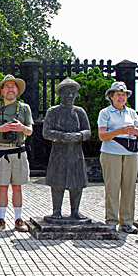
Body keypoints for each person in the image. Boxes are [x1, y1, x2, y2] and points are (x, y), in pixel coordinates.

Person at [0, 74, 33, 232]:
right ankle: (1, 219)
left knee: (17, 187)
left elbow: (30, 131)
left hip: (19, 150)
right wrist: (2, 128)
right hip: (1, 151)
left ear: (17, 90)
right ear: (2, 91)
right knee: (3, 187)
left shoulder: (24, 108)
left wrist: (22, 128)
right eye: (7, 87)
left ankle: (18, 219)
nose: (10, 89)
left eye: (13, 86)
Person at [98, 81, 138, 234]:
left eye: (123, 95)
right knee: (112, 187)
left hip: (131, 153)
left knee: (129, 187)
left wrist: (135, 131)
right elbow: (102, 135)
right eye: (118, 94)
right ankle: (111, 221)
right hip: (111, 152)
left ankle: (127, 222)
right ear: (111, 97)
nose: (121, 97)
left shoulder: (131, 113)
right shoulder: (105, 113)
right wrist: (119, 131)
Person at [43, 78, 91, 219]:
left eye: (72, 93)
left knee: (77, 182)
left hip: (76, 152)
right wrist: (62, 136)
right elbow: (46, 132)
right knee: (57, 182)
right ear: (60, 94)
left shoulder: (79, 112)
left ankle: (75, 210)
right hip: (58, 151)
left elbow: (87, 131)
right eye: (66, 93)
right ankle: (56, 210)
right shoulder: (53, 111)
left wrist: (79, 136)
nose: (70, 96)